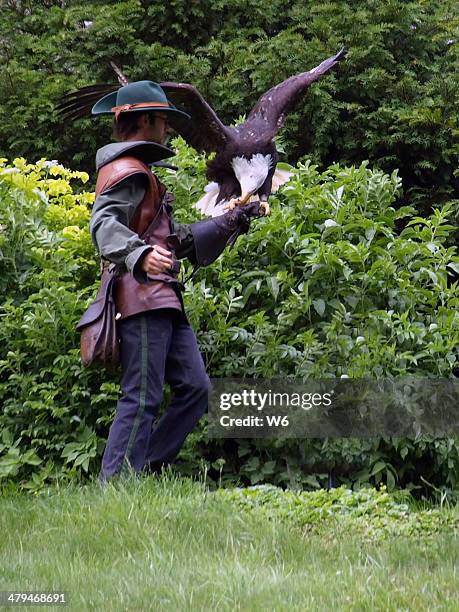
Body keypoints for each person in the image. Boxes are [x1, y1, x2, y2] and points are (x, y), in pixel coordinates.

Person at [89, 81, 260, 481]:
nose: (167, 130)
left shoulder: (143, 172)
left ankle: (144, 470)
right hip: (141, 298)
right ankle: (114, 485)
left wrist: (229, 220)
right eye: (163, 120)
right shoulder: (126, 171)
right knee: (142, 396)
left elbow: (168, 240)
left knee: (195, 389)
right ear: (144, 120)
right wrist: (140, 254)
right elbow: (103, 225)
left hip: (164, 298)